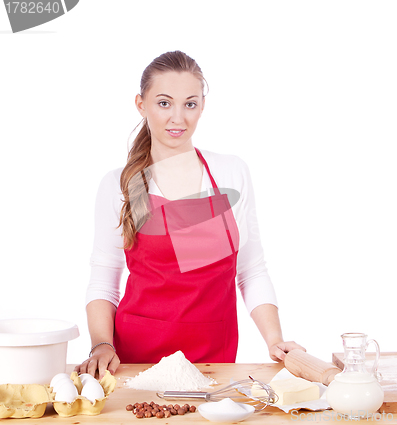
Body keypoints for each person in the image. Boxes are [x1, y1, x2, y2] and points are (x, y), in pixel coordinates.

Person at [75, 51, 304, 379]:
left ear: (202, 106)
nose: (178, 118)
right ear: (141, 104)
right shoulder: (121, 184)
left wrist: (276, 340)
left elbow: (251, 270)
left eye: (190, 104)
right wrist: (101, 346)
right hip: (136, 362)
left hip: (215, 360)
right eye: (164, 103)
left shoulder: (229, 172)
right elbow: (104, 277)